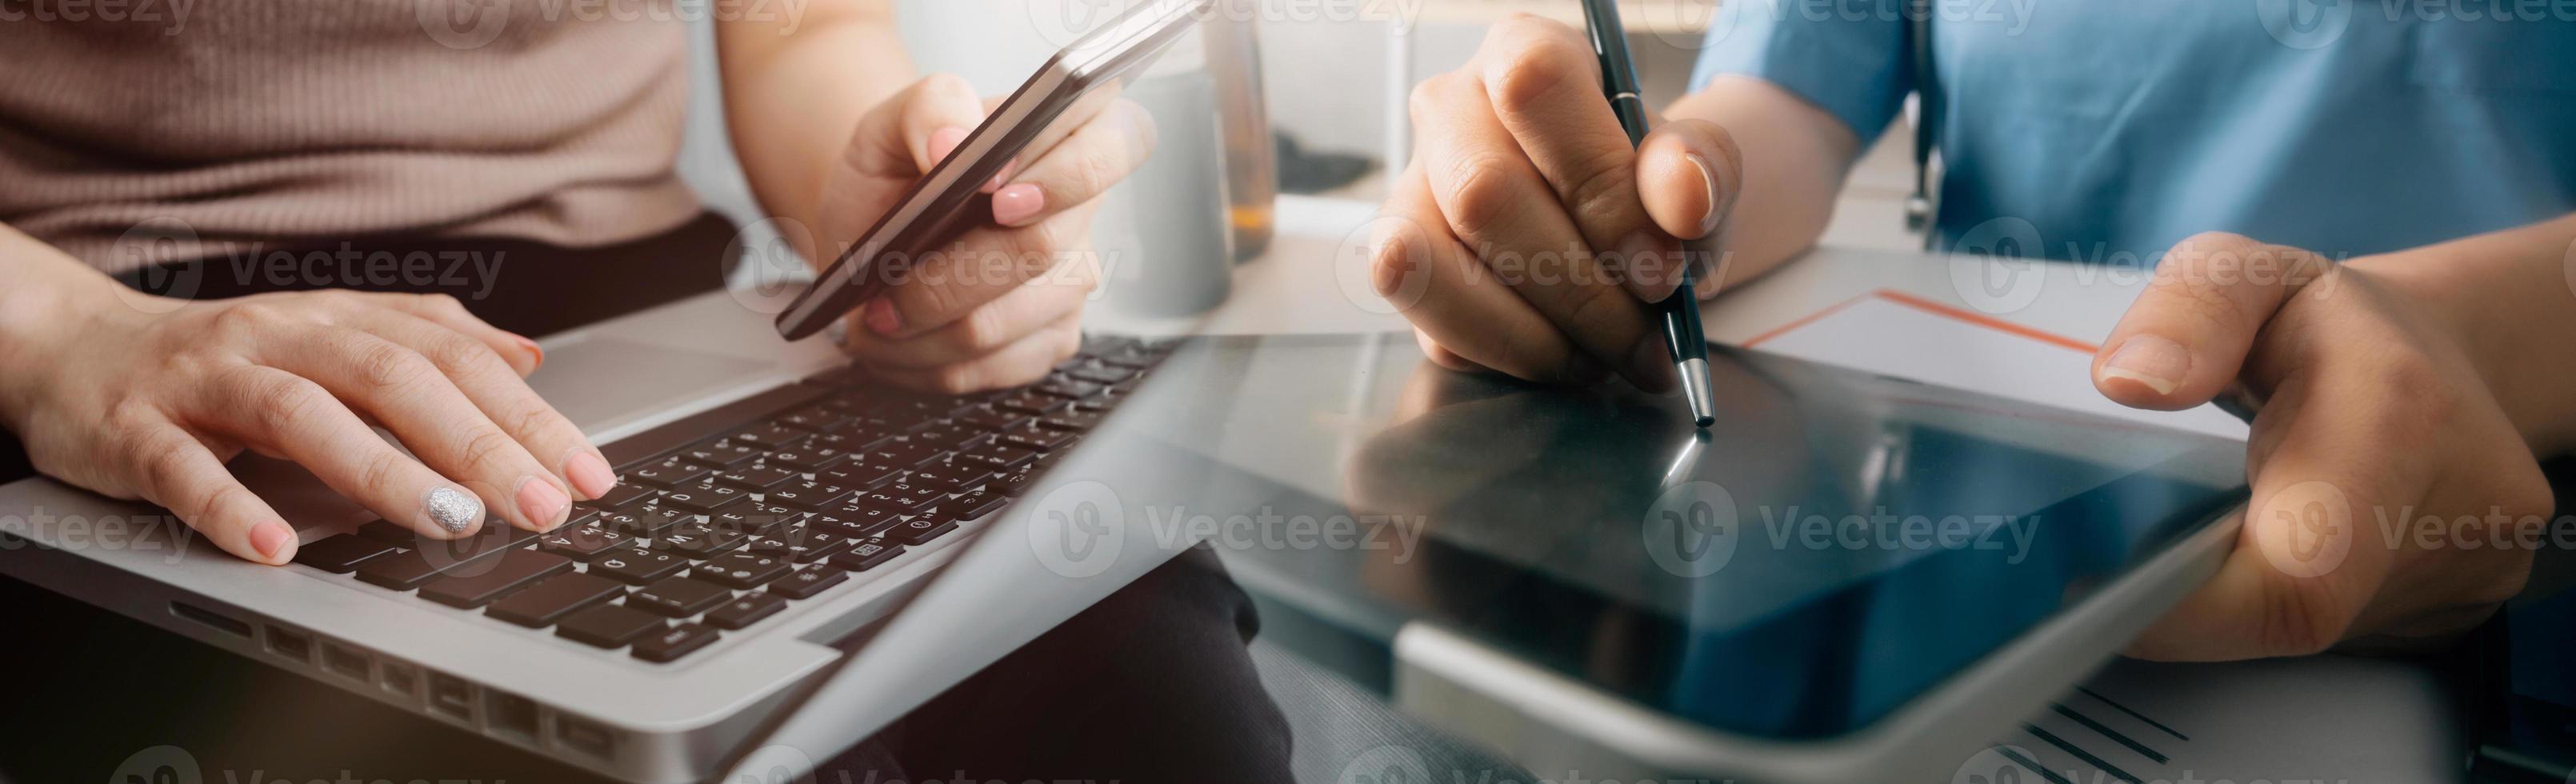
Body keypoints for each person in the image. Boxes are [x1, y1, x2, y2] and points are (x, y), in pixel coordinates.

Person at [1373, 4, 2576, 660]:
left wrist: (2474, 333)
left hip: (2497, 574)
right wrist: (1672, 192)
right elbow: (1786, 98)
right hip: (1958, 563)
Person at [0, 0, 1155, 565]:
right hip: (146, 326)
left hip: (658, 298)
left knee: (1131, 673)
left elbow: (802, 27)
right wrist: (66, 336)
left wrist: (893, 234)